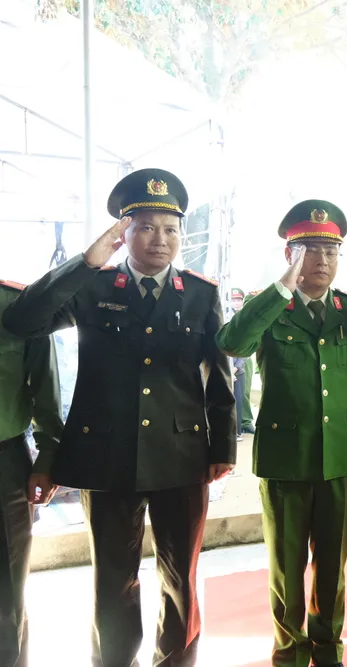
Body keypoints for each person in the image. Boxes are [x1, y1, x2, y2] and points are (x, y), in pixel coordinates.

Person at [1, 168, 237, 666]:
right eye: (147, 227)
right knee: (113, 580)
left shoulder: (199, 292)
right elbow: (23, 320)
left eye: (171, 229)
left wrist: (223, 449)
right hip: (105, 457)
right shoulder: (92, 286)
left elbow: (219, 376)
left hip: (181, 456)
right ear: (122, 233)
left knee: (181, 579)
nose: (160, 239)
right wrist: (85, 263)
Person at [216, 200, 347, 667]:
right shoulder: (271, 308)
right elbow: (233, 344)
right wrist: (280, 289)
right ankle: (290, 650)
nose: (323, 261)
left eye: (332, 251)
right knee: (287, 567)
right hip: (286, 459)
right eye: (311, 250)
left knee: (332, 565)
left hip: (340, 457)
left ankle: (329, 648)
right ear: (290, 255)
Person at [0, 279, 63, 667]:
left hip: (4, 464)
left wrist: (48, 460)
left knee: (6, 596)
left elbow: (46, 392)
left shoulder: (19, 306)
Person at [229, 287, 257, 435]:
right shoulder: (226, 315)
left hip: (244, 357)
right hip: (228, 358)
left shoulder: (245, 316)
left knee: (245, 390)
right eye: (233, 300)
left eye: (239, 300)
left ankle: (245, 421)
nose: (236, 303)